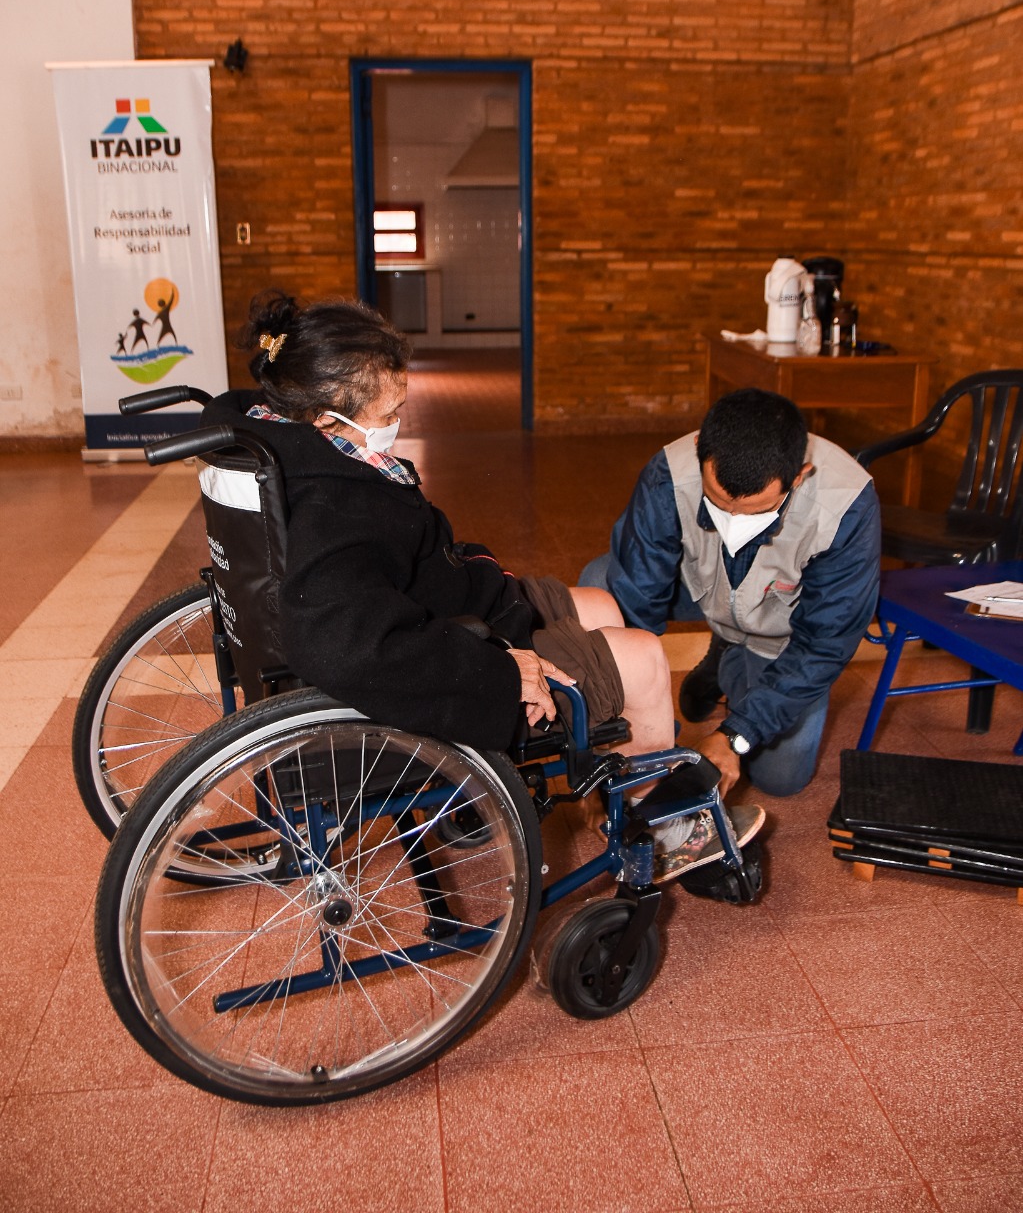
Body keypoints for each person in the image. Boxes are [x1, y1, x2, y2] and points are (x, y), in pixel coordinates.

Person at [200, 291, 764, 880]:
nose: (397, 424)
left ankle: (610, 790)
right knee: (646, 660)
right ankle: (658, 830)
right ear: (324, 415)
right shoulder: (334, 506)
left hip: (454, 603)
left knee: (602, 605)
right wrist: (500, 670)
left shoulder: (284, 442)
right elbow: (346, 644)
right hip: (460, 648)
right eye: (389, 412)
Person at [580, 387, 881, 799]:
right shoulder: (668, 471)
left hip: (781, 628)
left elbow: (824, 643)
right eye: (718, 502)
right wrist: (643, 736)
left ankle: (729, 657)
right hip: (697, 587)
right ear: (700, 452)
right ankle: (726, 643)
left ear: (798, 476)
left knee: (781, 778)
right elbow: (638, 598)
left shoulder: (847, 505)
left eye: (755, 511)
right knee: (600, 582)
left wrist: (734, 736)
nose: (734, 520)